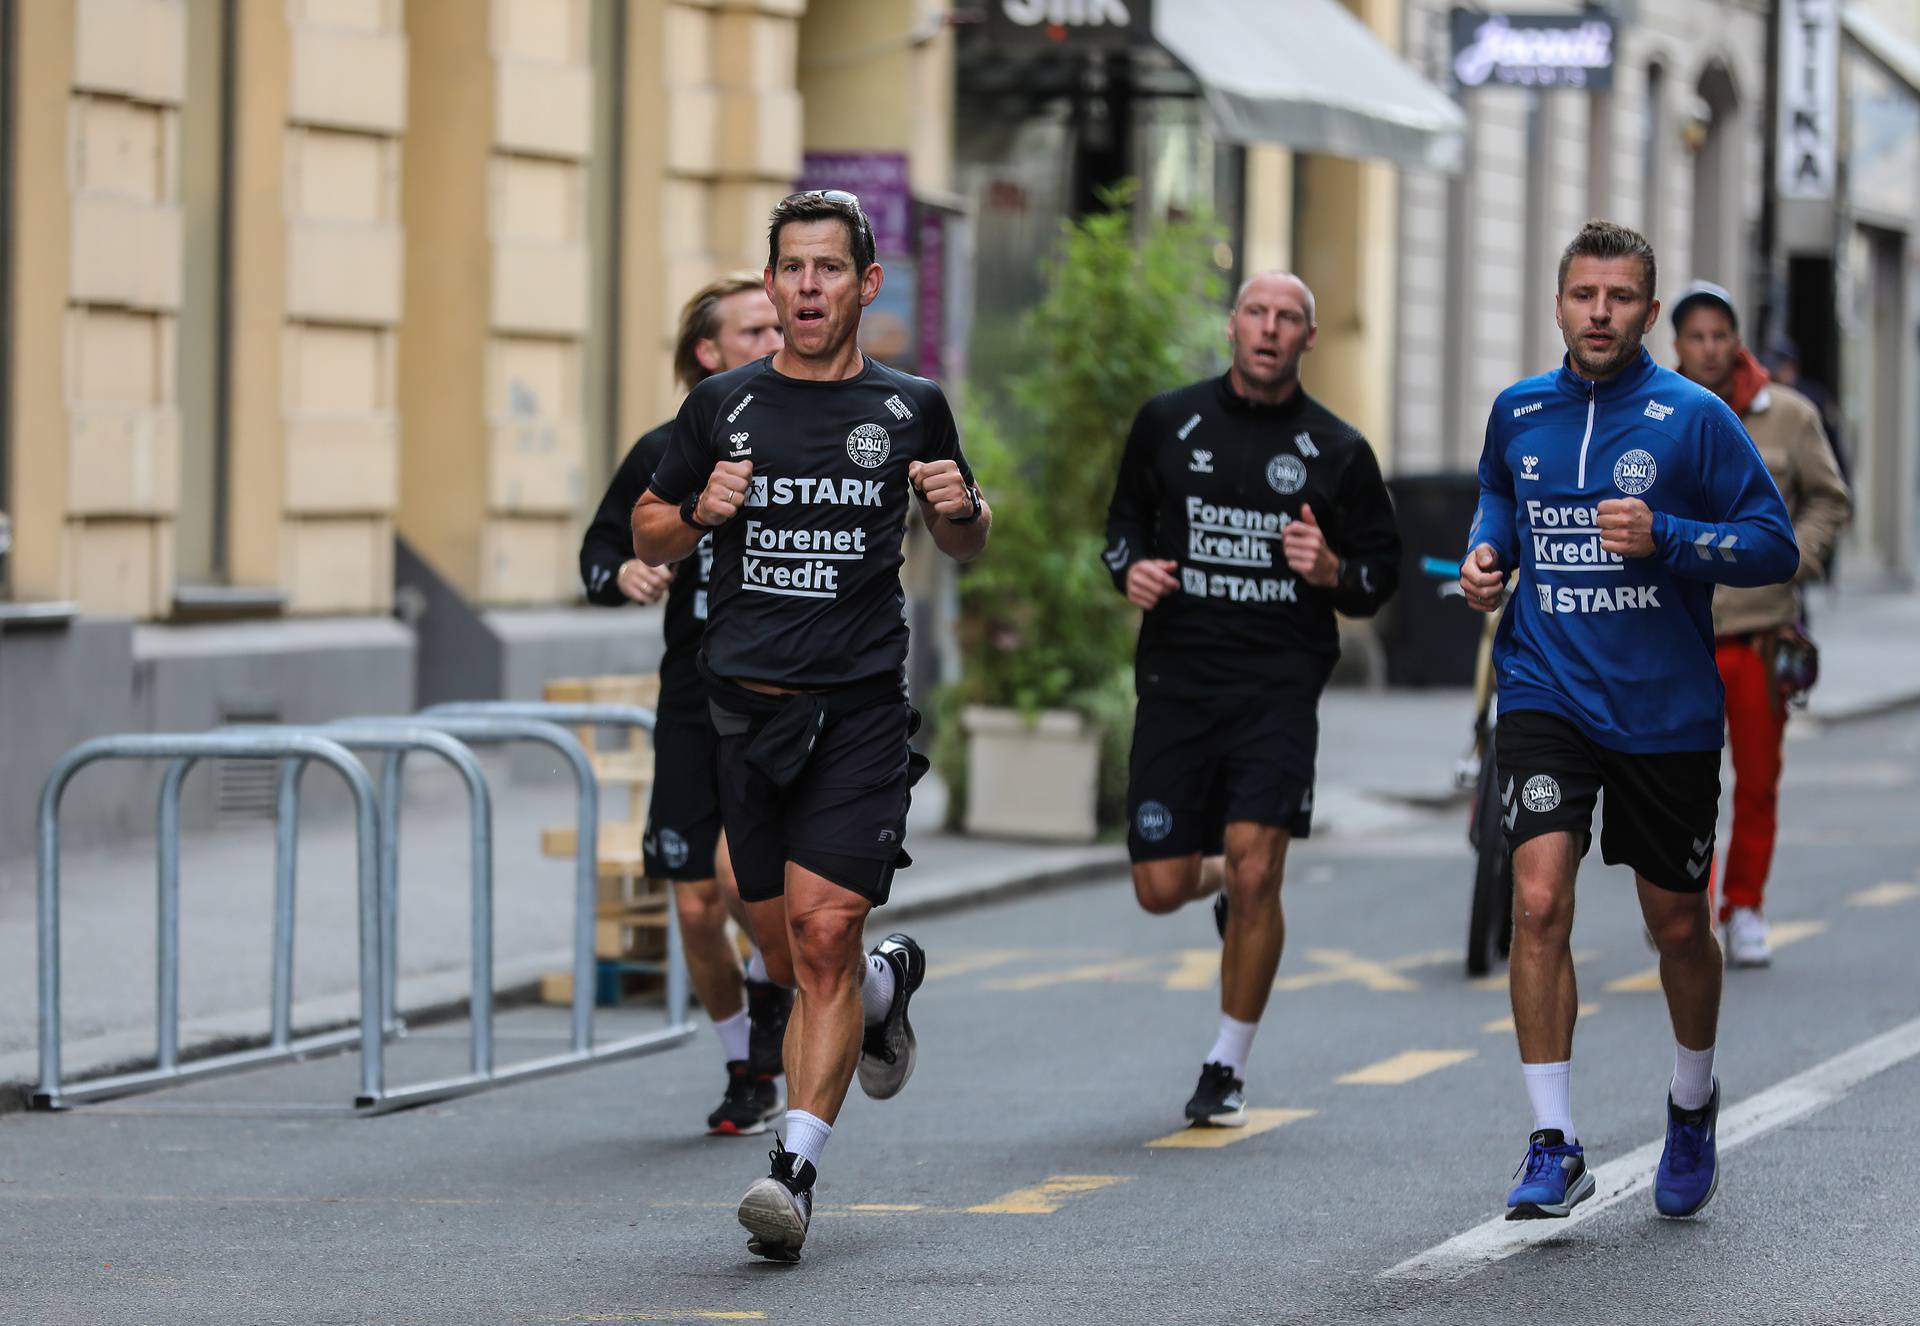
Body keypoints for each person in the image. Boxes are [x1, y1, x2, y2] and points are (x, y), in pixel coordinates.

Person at [631, 190, 990, 1262]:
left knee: (822, 934)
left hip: (858, 714)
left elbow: (968, 536)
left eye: (828, 269)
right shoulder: (722, 408)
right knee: (790, 949)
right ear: (774, 278)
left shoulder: (911, 406)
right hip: (743, 713)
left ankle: (792, 1172)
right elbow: (649, 526)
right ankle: (889, 985)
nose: (806, 288)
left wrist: (959, 510)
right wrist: (701, 511)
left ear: (865, 285)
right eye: (790, 268)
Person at [1461, 221, 1797, 1222]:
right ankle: (1552, 1142)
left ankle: (1691, 1107)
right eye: (1581, 295)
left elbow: (1772, 544)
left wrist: (1672, 537)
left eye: (1618, 298)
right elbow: (1496, 496)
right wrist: (1487, 558)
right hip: (1544, 691)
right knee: (1536, 902)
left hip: (1664, 712)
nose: (1598, 313)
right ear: (1557, 303)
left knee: (1678, 925)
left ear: (1648, 312)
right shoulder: (1519, 410)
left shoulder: (1693, 417)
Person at [1102, 271, 1401, 1128]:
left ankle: (1225, 1063)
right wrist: (1132, 568)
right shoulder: (1168, 420)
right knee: (1159, 887)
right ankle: (1226, 887)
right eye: (1257, 314)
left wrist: (1332, 570)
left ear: (1309, 339)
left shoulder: (1337, 449)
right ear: (1231, 326)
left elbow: (1377, 577)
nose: (1270, 330)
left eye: (1289, 320)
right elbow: (1122, 524)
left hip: (1276, 685)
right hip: (1176, 682)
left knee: (1260, 865)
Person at [579, 274, 791, 1136]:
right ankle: (745, 1062)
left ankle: (784, 993)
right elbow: (601, 547)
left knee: (746, 879)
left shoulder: (805, 435)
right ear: (709, 352)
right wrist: (620, 572)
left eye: (780, 327)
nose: (774, 340)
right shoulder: (667, 446)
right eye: (753, 331)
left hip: (777, 695)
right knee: (696, 901)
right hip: (689, 694)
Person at [1670, 281, 1851, 966]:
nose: (1710, 348)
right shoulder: (1656, 408)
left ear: (1737, 339)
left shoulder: (1790, 416)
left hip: (1758, 631)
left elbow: (1828, 500)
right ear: (1678, 345)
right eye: (1697, 337)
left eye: (1721, 335)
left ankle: (1744, 905)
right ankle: (1691, 909)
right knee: (1680, 781)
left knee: (1756, 777)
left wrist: (1794, 559)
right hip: (1677, 633)